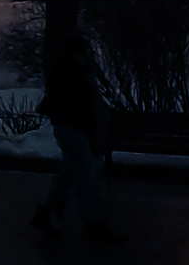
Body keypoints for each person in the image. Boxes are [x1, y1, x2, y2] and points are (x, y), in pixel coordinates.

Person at [32, 28, 125, 243]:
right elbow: (76, 102)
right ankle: (95, 223)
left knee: (70, 174)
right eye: (83, 51)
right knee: (86, 179)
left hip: (79, 129)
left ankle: (46, 213)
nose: (87, 54)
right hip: (72, 128)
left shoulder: (76, 71)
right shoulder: (70, 73)